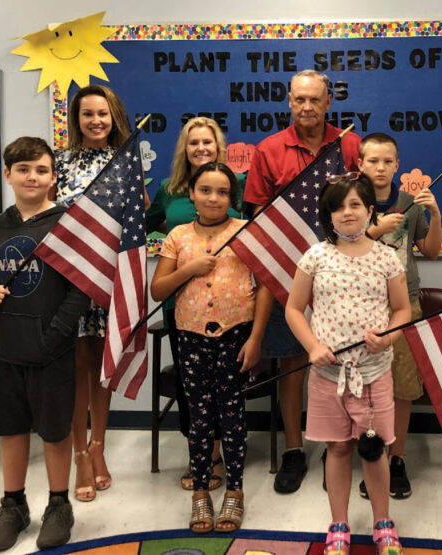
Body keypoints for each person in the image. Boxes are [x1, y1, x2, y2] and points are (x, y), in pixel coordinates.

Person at [0, 137, 90, 551]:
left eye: (41, 170)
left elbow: (80, 290)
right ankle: (13, 505)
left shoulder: (66, 227)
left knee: (55, 431)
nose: (32, 177)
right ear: (7, 175)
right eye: (23, 169)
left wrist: (55, 335)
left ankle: (58, 504)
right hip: (2, 348)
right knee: (11, 428)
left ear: (54, 177)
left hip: (51, 349)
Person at [243, 69, 361, 493]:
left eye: (315, 99)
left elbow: (364, 205)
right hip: (287, 273)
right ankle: (294, 448)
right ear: (289, 102)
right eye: (300, 99)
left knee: (341, 357)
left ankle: (336, 447)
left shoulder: (349, 145)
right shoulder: (269, 150)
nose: (307, 107)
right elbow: (257, 215)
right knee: (292, 361)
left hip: (343, 274)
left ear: (328, 102)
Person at [285, 173, 411, 555]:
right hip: (328, 376)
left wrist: (388, 337)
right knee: (338, 448)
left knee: (375, 450)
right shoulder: (315, 256)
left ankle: (383, 523)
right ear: (328, 216)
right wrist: (312, 346)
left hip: (374, 374)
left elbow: (402, 310)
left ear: (370, 210)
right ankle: (338, 524)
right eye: (338, 207)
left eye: (355, 204)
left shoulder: (387, 257)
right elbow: (294, 309)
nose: (347, 212)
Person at [150, 162, 272, 533]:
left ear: (232, 197)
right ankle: (201, 491)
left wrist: (256, 338)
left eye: (222, 192)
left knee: (232, 415)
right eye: (205, 190)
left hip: (236, 335)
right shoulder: (178, 236)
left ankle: (235, 489)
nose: (214, 198)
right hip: (190, 336)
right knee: (200, 418)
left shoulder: (246, 232)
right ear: (191, 194)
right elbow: (158, 290)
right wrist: (189, 269)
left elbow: (266, 286)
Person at [146, 116, 246, 491]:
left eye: (208, 141)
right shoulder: (168, 189)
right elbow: (146, 224)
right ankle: (200, 457)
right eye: (194, 142)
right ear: (184, 149)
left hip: (230, 310)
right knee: (193, 390)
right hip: (183, 310)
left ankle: (220, 456)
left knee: (227, 392)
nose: (201, 148)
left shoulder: (238, 183)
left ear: (219, 147)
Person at [53, 84, 133, 502]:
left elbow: (135, 218)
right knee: (76, 366)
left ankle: (99, 446)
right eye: (88, 114)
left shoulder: (125, 162)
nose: (96, 121)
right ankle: (79, 454)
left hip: (109, 276)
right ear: (77, 118)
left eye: (103, 113)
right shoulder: (60, 161)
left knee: (104, 366)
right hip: (69, 278)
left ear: (113, 117)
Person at [351, 132, 442, 500]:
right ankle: (370, 457)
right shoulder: (350, 200)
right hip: (360, 305)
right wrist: (374, 231)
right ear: (360, 164)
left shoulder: (409, 204)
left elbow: (432, 251)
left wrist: (434, 214)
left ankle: (397, 457)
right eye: (373, 160)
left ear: (397, 166)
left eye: (387, 161)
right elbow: (337, 248)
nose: (380, 167)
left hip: (405, 304)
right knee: (366, 387)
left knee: (402, 387)